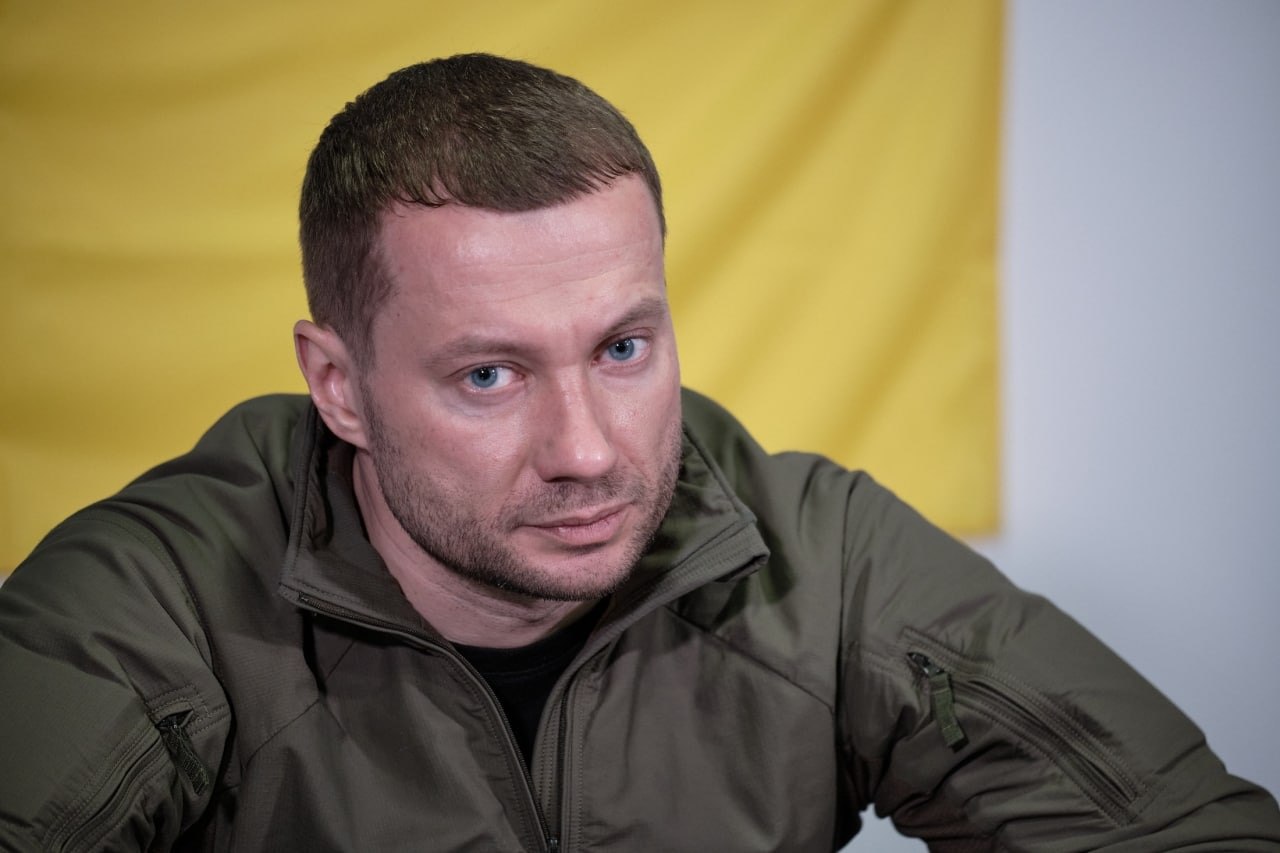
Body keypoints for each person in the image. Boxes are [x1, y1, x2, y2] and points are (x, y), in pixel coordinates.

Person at [0, 53, 1277, 853]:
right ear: (338, 386)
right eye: (488, 375)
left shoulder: (815, 558)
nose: (586, 450)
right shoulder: (152, 598)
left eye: (621, 348)